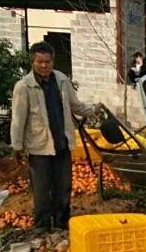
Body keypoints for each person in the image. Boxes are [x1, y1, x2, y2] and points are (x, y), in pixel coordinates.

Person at [10, 41, 100, 234]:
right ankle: (42, 226)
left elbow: (75, 105)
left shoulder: (61, 80)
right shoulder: (24, 86)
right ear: (32, 62)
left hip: (62, 143)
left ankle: (61, 223)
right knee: (42, 189)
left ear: (53, 61)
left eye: (48, 62)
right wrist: (16, 145)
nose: (44, 66)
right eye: (40, 62)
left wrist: (93, 109)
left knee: (63, 187)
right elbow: (18, 119)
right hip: (38, 146)